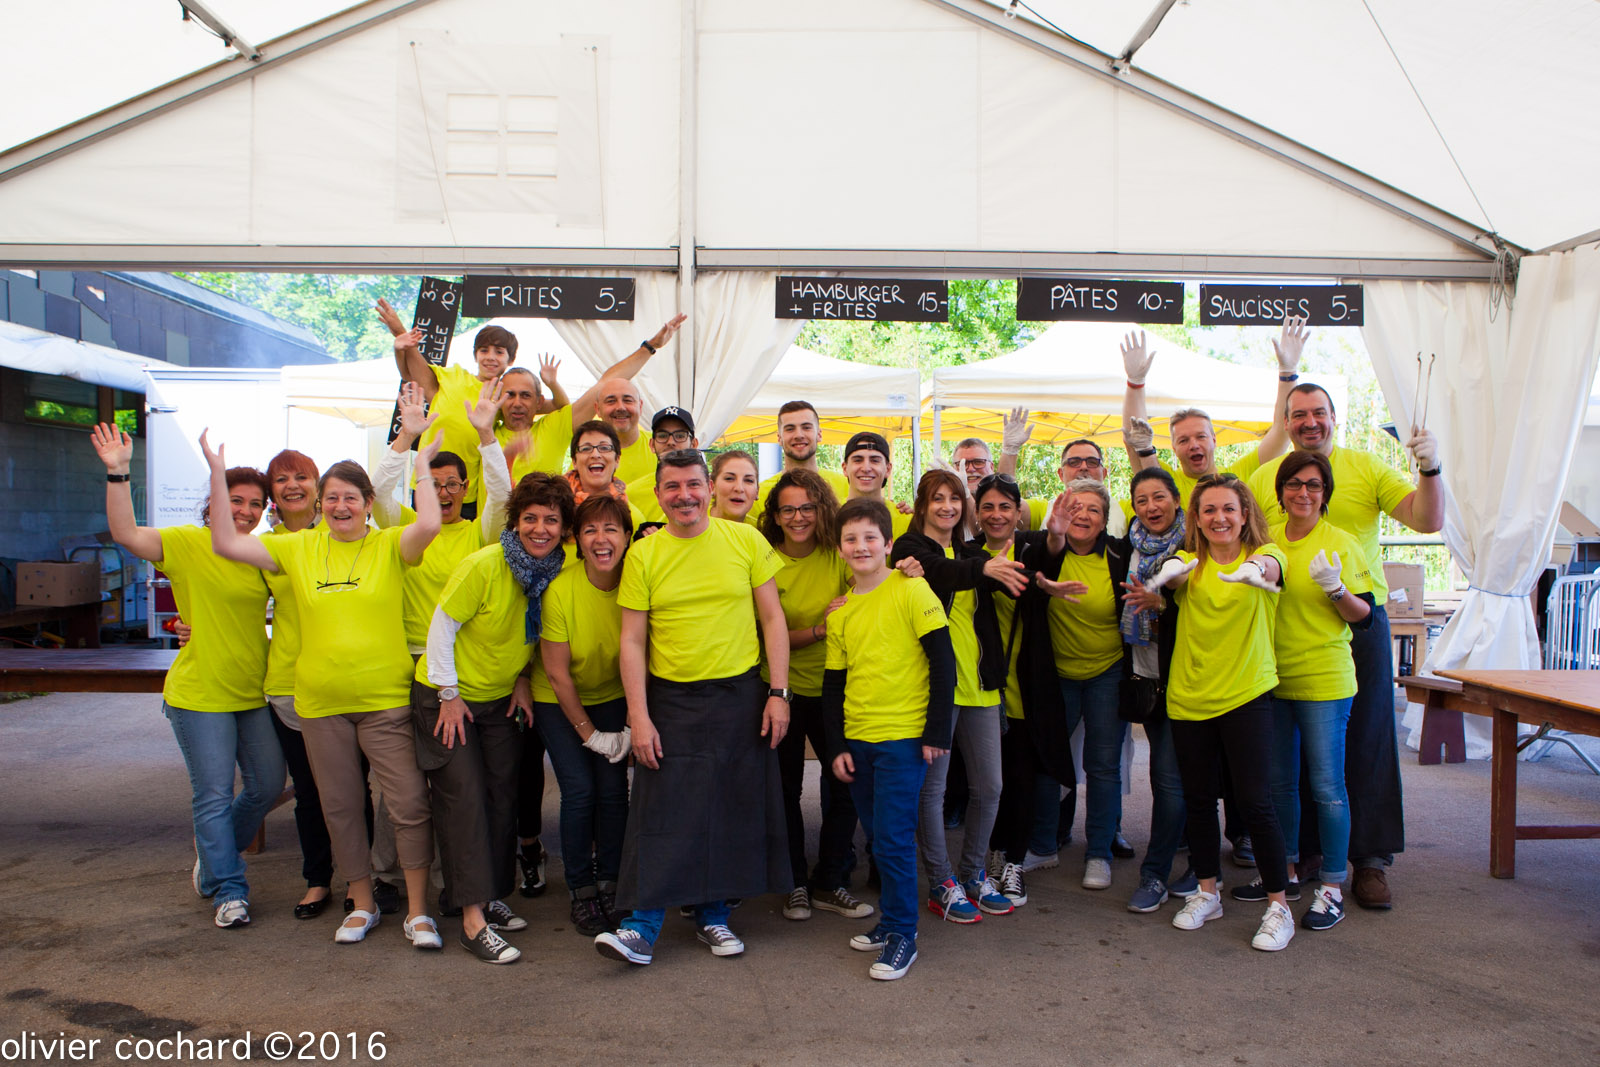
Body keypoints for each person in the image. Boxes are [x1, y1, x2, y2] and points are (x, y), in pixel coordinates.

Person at [201, 432, 442, 950]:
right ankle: (362, 903)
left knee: (408, 805)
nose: (340, 506)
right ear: (320, 504)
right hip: (320, 704)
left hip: (384, 701)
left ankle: (419, 911)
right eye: (331, 497)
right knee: (341, 807)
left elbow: (428, 524)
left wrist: (421, 461)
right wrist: (218, 478)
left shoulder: (389, 544)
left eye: (350, 497)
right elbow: (226, 543)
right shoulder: (297, 547)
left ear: (368, 503)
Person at [1247, 381, 1442, 909]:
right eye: (1298, 414)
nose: (1309, 422)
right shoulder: (1266, 476)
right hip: (1289, 625)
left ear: (1334, 417)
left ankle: (1370, 859)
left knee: (1367, 739)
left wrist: (1430, 470)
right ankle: (1305, 853)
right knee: (1292, 751)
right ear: (1285, 422)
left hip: (1358, 618)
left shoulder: (1366, 467)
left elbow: (1428, 521)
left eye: (1319, 412)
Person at [594, 450, 792, 966]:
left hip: (740, 696)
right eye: (672, 487)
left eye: (693, 484)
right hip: (670, 699)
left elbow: (773, 619)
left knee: (727, 807)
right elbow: (632, 641)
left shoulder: (746, 541)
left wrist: (778, 693)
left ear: (709, 489)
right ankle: (641, 927)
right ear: (658, 496)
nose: (684, 495)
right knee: (660, 809)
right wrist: (639, 716)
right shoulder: (644, 555)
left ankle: (713, 917)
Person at [92, 424, 283, 930]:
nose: (245, 511)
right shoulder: (185, 543)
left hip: (252, 689)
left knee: (268, 785)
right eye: (235, 499)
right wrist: (118, 472)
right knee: (214, 794)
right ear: (214, 500)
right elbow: (126, 534)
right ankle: (229, 888)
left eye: (255, 504)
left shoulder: (261, 554)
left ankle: (214, 854)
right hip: (199, 692)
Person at [411, 472, 576, 963]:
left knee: (503, 798)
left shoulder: (553, 571)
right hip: (448, 696)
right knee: (464, 801)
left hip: (500, 698)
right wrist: (448, 693)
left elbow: (532, 634)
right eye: (530, 518)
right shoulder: (484, 564)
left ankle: (488, 895)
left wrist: (523, 677)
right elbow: (442, 627)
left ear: (564, 527)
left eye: (551, 520)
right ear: (514, 521)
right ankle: (471, 920)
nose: (540, 529)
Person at [1146, 473, 1295, 951]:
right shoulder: (1189, 563)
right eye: (1209, 510)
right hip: (1190, 699)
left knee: (1255, 803)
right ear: (1196, 518)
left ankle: (1279, 906)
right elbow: (1175, 571)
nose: (1219, 517)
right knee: (1198, 801)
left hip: (1246, 696)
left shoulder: (1265, 556)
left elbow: (1272, 565)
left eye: (1228, 508)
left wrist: (1256, 571)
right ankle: (1208, 892)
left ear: (1244, 513)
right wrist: (1171, 570)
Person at [823, 498, 957, 980]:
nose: (860, 546)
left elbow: (943, 662)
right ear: (840, 548)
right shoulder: (840, 613)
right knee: (880, 838)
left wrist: (936, 730)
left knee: (895, 841)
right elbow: (834, 685)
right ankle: (890, 921)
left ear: (888, 543)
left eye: (869, 537)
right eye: (851, 538)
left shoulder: (913, 589)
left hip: (903, 738)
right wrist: (836, 745)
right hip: (858, 739)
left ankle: (903, 933)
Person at [890, 469, 1029, 923]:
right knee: (932, 790)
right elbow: (943, 572)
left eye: (954, 498)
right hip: (936, 689)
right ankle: (942, 881)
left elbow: (1002, 575)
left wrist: (1043, 581)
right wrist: (983, 568)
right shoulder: (911, 549)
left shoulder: (972, 552)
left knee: (990, 788)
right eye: (938, 498)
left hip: (981, 685)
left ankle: (973, 874)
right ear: (922, 505)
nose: (947, 506)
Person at [1253, 450, 1374, 931]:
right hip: (1272, 679)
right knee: (1279, 784)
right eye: (1294, 484)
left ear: (1325, 494)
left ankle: (1331, 887)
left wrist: (1336, 589)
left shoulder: (1341, 542)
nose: (1303, 492)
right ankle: (1284, 873)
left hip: (1325, 680)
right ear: (1280, 492)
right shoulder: (1265, 542)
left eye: (1314, 485)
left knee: (1327, 788)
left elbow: (1364, 616)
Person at [758, 469, 873, 923]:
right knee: (784, 789)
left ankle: (831, 880)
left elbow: (867, 597)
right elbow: (765, 633)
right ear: (775, 516)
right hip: (780, 689)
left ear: (822, 508)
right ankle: (794, 884)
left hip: (835, 689)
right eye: (788, 509)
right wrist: (819, 630)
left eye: (807, 507)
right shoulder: (764, 558)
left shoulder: (836, 554)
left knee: (845, 782)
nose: (798, 517)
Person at [532, 494, 635, 936]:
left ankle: (611, 882)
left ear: (627, 536)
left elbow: (647, 655)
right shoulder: (561, 589)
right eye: (590, 529)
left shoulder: (637, 582)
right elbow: (557, 675)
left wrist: (630, 723)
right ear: (576, 539)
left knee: (612, 791)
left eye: (611, 529)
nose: (601, 539)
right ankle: (582, 889)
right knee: (579, 790)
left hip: (612, 695)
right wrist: (590, 735)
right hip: (559, 700)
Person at [968, 473, 1071, 909]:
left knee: (1023, 777)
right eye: (988, 507)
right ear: (977, 513)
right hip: (981, 686)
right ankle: (993, 854)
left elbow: (1049, 556)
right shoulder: (967, 553)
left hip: (1027, 683)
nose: (996, 515)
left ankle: (1013, 861)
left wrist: (1058, 535)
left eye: (1005, 507)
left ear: (1018, 512)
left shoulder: (1030, 546)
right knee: (990, 781)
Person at [1034, 479, 1132, 892]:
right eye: (1076, 507)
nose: (1084, 516)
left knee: (1103, 765)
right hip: (1057, 673)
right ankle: (1042, 845)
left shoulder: (1120, 554)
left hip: (1107, 671)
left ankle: (1099, 854)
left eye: (1094, 509)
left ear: (1105, 519)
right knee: (1048, 761)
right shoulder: (1043, 549)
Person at [1115, 468, 1200, 914]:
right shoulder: (1127, 545)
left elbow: (1206, 609)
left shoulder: (1195, 545)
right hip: (1144, 675)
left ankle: (1155, 874)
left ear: (1177, 499)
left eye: (1159, 497)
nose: (1151, 507)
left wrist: (1161, 604)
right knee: (1170, 778)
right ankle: (1201, 864)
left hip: (1187, 677)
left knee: (1170, 779)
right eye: (1142, 500)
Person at [261, 449, 341, 920]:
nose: (292, 485)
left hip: (342, 678)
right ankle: (317, 879)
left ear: (317, 486)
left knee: (351, 788)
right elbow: (236, 600)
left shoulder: (342, 532)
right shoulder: (264, 547)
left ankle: (363, 879)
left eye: (301, 476)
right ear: (272, 492)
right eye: (281, 479)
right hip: (288, 682)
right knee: (309, 791)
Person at [1119, 318, 1302, 505]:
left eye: (1201, 436)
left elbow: (1281, 431)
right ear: (1173, 448)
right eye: (1183, 440)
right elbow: (1134, 438)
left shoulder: (1239, 475)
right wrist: (1135, 382)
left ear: (1214, 440)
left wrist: (1288, 372)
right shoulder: (1167, 483)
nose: (1194, 445)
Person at [750, 401, 852, 523]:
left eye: (806, 427)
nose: (798, 435)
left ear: (819, 434)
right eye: (790, 429)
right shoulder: (759, 495)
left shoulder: (847, 487)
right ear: (779, 438)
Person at [564, 419, 647, 529]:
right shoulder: (556, 508)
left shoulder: (632, 518)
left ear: (617, 460)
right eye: (586, 448)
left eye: (604, 448)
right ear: (574, 461)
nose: (595, 455)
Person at [624, 407, 700, 522]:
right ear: (652, 445)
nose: (671, 442)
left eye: (680, 436)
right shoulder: (631, 494)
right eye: (663, 436)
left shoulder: (710, 491)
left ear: (694, 444)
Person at [841, 432, 912, 539]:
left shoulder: (907, 522)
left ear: (888, 469)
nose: (866, 468)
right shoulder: (828, 516)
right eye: (858, 460)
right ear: (845, 468)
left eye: (874, 460)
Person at [708, 449, 761, 525]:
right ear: (712, 486)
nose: (739, 488)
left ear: (757, 491)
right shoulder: (694, 524)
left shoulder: (761, 530)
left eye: (748, 480)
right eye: (729, 478)